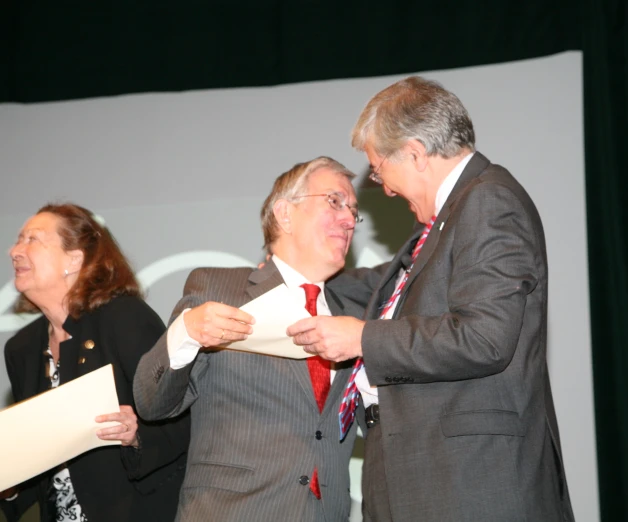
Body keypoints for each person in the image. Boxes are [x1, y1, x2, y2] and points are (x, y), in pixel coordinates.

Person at [288, 77, 575, 521]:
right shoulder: (447, 220)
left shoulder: (488, 200)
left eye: (380, 171)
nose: (383, 189)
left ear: (417, 154)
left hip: (473, 484)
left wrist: (364, 339)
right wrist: (281, 271)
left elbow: (484, 337)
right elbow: (372, 286)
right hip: (432, 481)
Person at [133, 157, 374, 522]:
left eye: (353, 211)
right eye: (334, 201)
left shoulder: (354, 319)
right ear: (285, 213)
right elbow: (153, 404)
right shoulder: (218, 287)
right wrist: (186, 331)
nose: (347, 219)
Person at [1, 203, 189, 522]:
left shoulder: (124, 318)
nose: (14, 251)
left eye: (32, 239)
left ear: (74, 259)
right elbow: (41, 467)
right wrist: (9, 482)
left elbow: (179, 421)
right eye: (18, 239)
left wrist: (137, 434)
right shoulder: (22, 348)